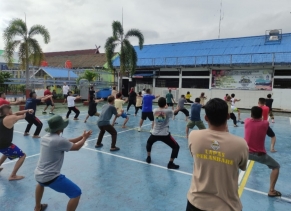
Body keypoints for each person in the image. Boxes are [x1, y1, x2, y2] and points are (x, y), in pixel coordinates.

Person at [187, 98, 249, 211]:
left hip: (195, 203)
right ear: (228, 116)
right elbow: (242, 166)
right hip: (227, 206)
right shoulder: (240, 144)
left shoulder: (194, 136)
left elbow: (195, 156)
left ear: (206, 118)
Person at [34, 115, 92, 211]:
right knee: (76, 192)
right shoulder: (58, 141)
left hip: (38, 174)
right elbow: (76, 147)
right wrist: (85, 138)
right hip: (50, 176)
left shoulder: (46, 137)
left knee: (40, 184)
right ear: (60, 128)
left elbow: (66, 141)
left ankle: (37, 207)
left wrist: (81, 137)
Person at [244, 106, 281, 197]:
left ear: (251, 114)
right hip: (259, 154)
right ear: (261, 115)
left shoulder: (247, 121)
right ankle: (271, 191)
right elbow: (267, 127)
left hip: (245, 152)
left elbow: (251, 119)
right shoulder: (265, 123)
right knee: (276, 166)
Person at [0, 105, 33, 180]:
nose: (12, 112)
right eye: (11, 111)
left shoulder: (3, 117)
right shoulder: (10, 118)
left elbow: (16, 113)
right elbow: (22, 116)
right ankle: (13, 175)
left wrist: (27, 110)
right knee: (22, 155)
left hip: (2, 144)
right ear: (8, 112)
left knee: (6, 153)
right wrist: (27, 113)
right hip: (5, 144)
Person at [146, 97, 180, 169]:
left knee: (149, 142)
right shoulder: (168, 111)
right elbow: (175, 112)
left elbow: (161, 111)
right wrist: (179, 108)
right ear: (165, 104)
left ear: (158, 104)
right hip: (164, 134)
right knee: (176, 147)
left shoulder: (155, 110)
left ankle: (148, 157)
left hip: (154, 133)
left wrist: (164, 107)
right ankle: (170, 163)